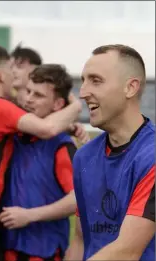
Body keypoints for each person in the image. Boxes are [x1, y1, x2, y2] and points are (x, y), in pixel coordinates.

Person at [0, 45, 84, 261]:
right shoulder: (15, 136)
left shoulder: (61, 147)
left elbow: (80, 199)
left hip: (43, 251)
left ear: (58, 104)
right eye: (28, 91)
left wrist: (30, 215)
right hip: (6, 245)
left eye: (38, 95)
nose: (28, 99)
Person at [65, 44, 155, 261]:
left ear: (130, 88)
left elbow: (127, 251)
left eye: (96, 81)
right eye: (84, 80)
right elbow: (80, 239)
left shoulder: (151, 155)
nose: (83, 93)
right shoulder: (84, 157)